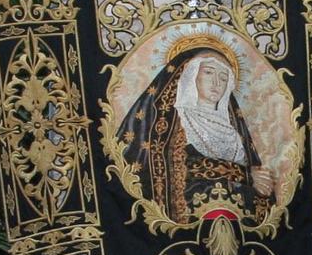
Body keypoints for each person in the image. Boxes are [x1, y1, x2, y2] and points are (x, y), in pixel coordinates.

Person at [115, 38, 276, 224]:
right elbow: (173, 166)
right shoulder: (171, 120)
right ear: (191, 75)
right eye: (208, 72)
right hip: (189, 209)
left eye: (224, 77)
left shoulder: (233, 128)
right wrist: (244, 175)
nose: (217, 82)